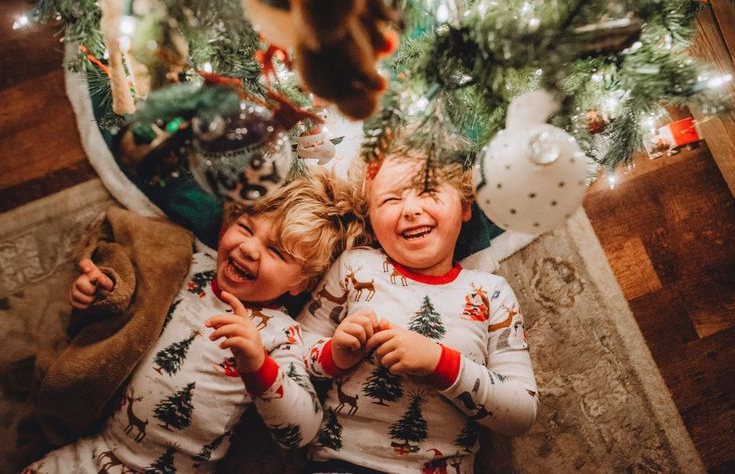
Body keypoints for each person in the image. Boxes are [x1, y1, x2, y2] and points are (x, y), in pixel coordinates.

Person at [24, 170, 369, 473]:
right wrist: (100, 292)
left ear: (302, 284)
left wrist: (258, 366)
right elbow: (127, 303)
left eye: (276, 251)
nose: (249, 249)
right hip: (95, 447)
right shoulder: (188, 268)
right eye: (245, 228)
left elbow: (302, 431)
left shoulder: (281, 334)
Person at [298, 146, 538, 474]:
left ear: (465, 206)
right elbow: (293, 350)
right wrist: (334, 354)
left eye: (427, 190)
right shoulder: (356, 266)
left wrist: (440, 363)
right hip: (339, 464)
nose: (410, 209)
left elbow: (521, 414)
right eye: (390, 200)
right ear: (370, 216)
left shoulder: (491, 293)